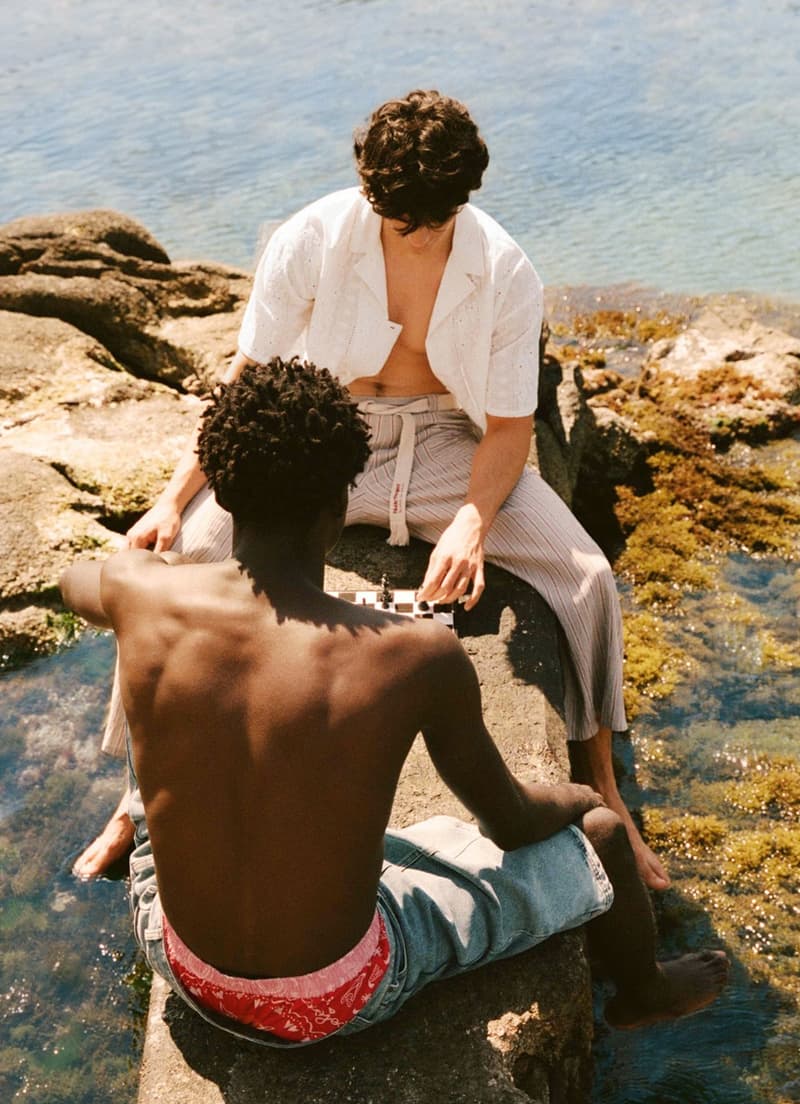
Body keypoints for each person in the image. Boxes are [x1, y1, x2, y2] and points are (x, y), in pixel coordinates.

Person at [80, 88, 669, 891]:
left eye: (437, 219)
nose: (419, 234)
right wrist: (172, 497)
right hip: (330, 432)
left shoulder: (506, 268)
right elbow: (247, 382)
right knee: (178, 557)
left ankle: (605, 784)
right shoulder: (310, 238)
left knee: (590, 578)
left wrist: (472, 520)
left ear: (465, 196)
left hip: (448, 443)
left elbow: (508, 426)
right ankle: (135, 798)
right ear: (369, 188)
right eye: (400, 220)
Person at [61, 359, 727, 1046]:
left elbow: (73, 581)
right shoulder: (415, 654)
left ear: (223, 494)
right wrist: (580, 795)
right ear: (341, 503)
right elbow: (511, 822)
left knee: (164, 689)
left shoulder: (138, 592)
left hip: (184, 963)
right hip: (333, 995)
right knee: (601, 836)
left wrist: (157, 572)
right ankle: (644, 990)